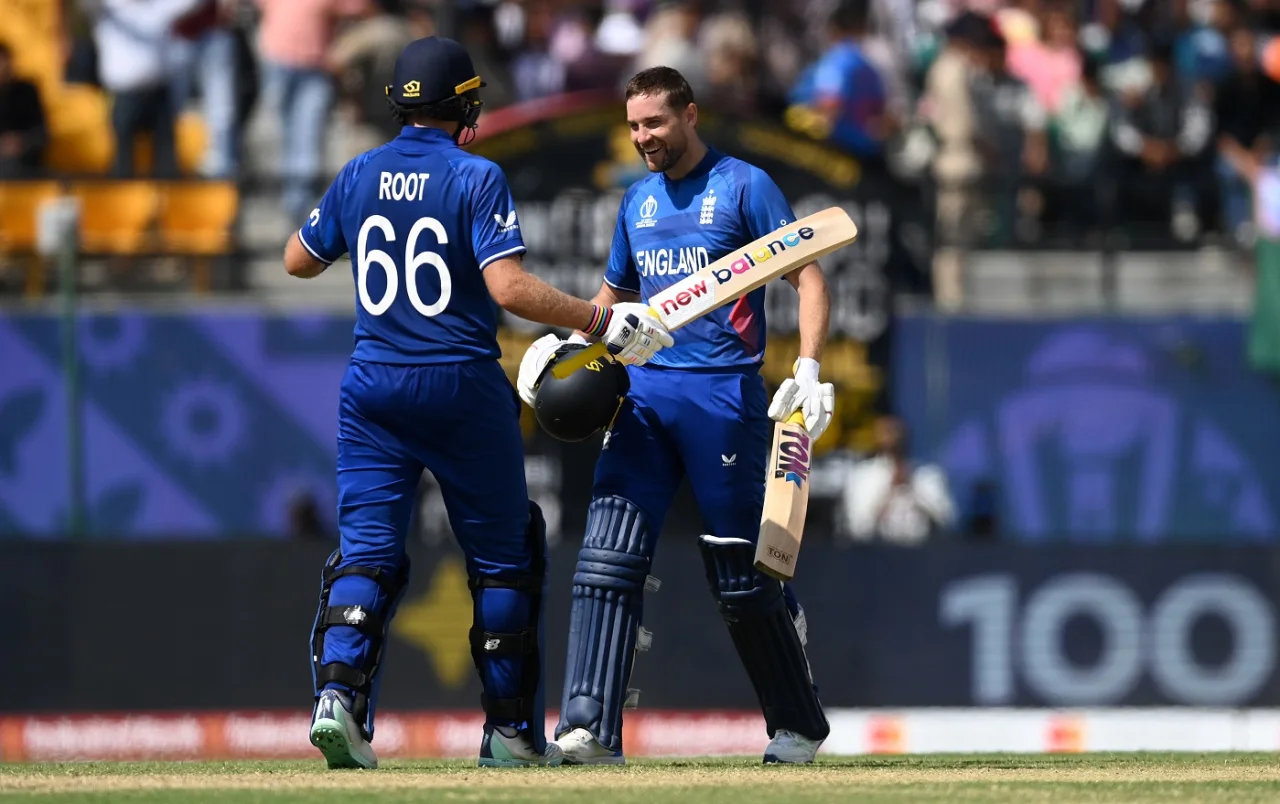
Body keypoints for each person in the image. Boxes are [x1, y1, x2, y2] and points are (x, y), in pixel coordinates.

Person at [281, 36, 674, 771]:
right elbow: (509, 288)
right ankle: (509, 732)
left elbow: (297, 260)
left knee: (367, 554)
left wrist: (354, 213)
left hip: (373, 387)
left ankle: (338, 700)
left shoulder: (359, 171)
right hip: (459, 382)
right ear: (460, 103)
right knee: (503, 559)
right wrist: (598, 319)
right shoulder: (476, 174)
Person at [517, 66, 837, 765]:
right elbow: (612, 299)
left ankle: (796, 725)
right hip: (643, 396)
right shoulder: (637, 200)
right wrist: (568, 348)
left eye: (655, 123)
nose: (643, 137)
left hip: (724, 398)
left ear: (690, 115)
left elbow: (809, 275)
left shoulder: (745, 186)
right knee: (605, 558)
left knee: (742, 575)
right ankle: (589, 729)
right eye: (634, 126)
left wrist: (809, 367)